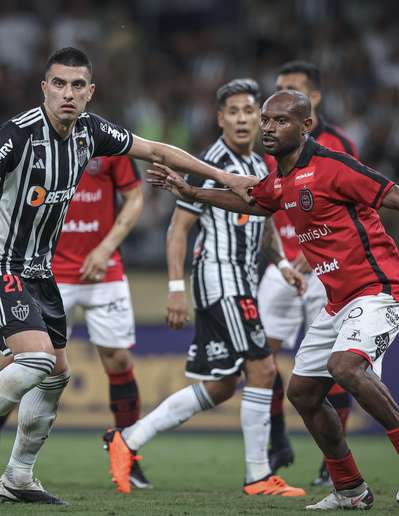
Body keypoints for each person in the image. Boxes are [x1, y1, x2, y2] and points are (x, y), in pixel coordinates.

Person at [0, 47, 259, 508]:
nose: (68, 93)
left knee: (57, 374)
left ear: (90, 92)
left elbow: (157, 150)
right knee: (39, 361)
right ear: (44, 88)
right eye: (58, 83)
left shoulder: (90, 132)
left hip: (38, 270)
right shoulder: (17, 136)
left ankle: (19, 476)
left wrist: (227, 177)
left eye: (77, 85)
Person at [146, 90, 399, 509]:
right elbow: (257, 203)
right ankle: (350, 488)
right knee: (301, 393)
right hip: (339, 301)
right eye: (267, 119)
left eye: (280, 121)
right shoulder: (280, 177)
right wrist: (191, 192)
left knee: (344, 365)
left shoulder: (333, 167)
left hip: (381, 289)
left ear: (306, 127)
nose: (268, 127)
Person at [105, 78, 304, 497]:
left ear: (260, 117)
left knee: (222, 384)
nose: (243, 119)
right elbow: (179, 229)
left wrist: (283, 262)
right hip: (221, 278)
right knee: (264, 368)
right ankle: (257, 476)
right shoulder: (211, 162)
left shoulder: (258, 164)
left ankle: (128, 439)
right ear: (220, 119)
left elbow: (263, 220)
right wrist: (175, 288)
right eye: (233, 112)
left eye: (250, 111)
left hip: (241, 280)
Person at [0, 155, 151, 489]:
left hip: (104, 270)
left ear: (89, 97)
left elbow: (136, 197)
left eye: (78, 95)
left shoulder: (109, 145)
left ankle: (129, 453)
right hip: (45, 271)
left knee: (120, 359)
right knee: (26, 363)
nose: (70, 98)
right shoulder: (38, 144)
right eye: (63, 95)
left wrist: (106, 247)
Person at [259, 61, 358, 485]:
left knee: (333, 365)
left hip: (324, 268)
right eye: (277, 89)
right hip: (280, 267)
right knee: (261, 355)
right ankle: (278, 435)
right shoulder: (265, 144)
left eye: (291, 90)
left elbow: (350, 205)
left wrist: (310, 250)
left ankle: (329, 460)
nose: (279, 96)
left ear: (311, 101)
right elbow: (260, 200)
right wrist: (279, 256)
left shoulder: (337, 145)